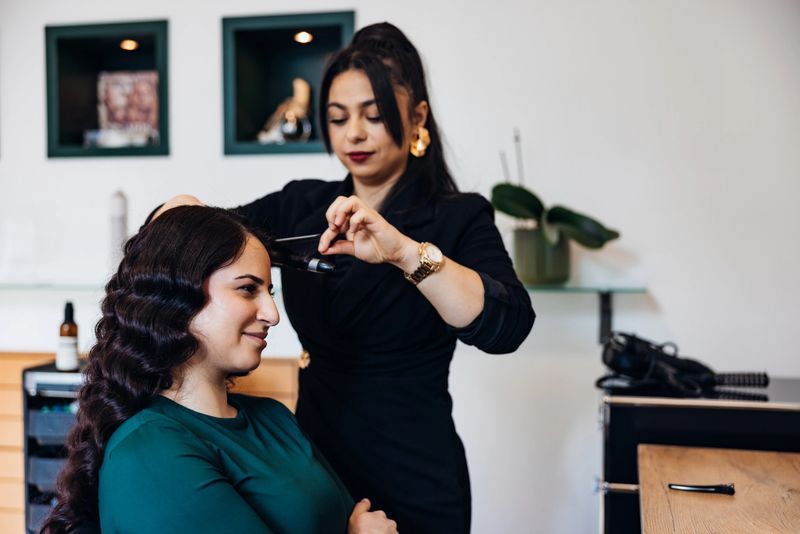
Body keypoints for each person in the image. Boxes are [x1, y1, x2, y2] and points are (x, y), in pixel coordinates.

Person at [160, 22, 535, 533]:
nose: (353, 134)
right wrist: (177, 209)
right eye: (337, 118)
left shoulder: (456, 217)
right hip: (313, 464)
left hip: (415, 471)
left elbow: (507, 325)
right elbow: (204, 236)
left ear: (417, 116)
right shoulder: (302, 205)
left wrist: (404, 253)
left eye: (374, 116)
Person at [40, 206, 398, 534]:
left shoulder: (273, 419)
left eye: (269, 291)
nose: (272, 314)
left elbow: (354, 514)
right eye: (247, 289)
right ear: (177, 295)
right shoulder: (150, 451)